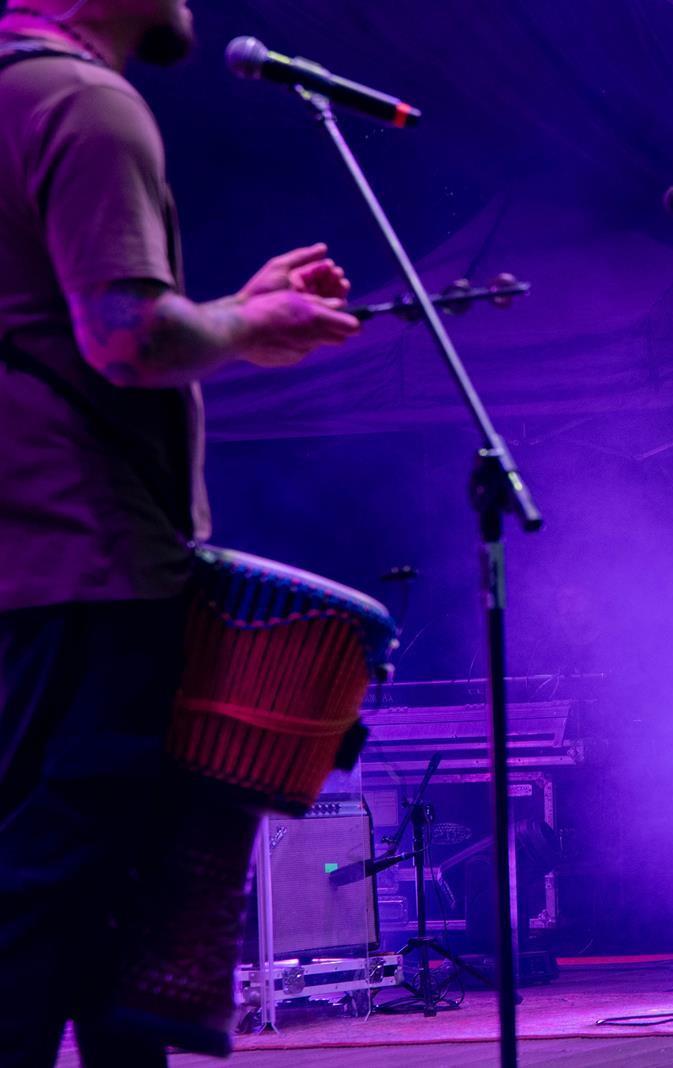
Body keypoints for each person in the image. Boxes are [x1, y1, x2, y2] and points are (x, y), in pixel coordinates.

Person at [0, 2, 360, 1064]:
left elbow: (56, 327)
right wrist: (247, 326)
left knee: (105, 915)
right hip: (95, 563)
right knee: (56, 890)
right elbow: (126, 338)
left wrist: (228, 311)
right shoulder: (80, 100)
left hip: (35, 565)